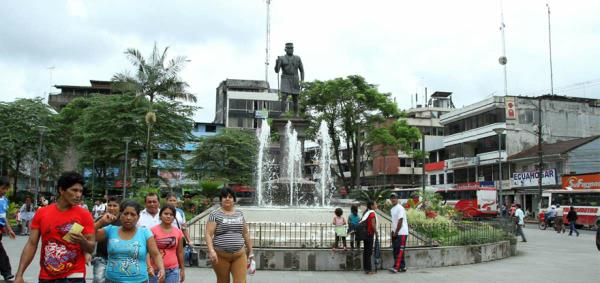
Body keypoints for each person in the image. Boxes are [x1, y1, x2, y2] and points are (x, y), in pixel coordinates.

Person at [15, 171, 96, 283]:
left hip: (74, 276)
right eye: (74, 190)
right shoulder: (42, 213)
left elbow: (91, 248)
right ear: (61, 190)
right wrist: (19, 274)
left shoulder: (85, 215)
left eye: (80, 191)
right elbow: (31, 244)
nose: (78, 195)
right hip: (46, 277)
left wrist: (83, 242)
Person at [96, 200, 164, 283]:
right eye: (125, 214)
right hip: (111, 280)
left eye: (132, 214)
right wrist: (101, 221)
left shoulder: (145, 233)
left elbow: (156, 254)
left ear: (138, 217)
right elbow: (89, 235)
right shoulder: (110, 230)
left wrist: (162, 269)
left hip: (140, 281)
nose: (128, 217)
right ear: (120, 215)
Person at [205, 187, 253, 283]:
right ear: (220, 200)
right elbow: (208, 234)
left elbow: (245, 233)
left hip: (239, 255)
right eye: (224, 197)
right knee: (223, 281)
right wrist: (211, 251)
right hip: (220, 255)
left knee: (241, 281)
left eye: (230, 197)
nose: (227, 199)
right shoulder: (215, 214)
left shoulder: (239, 214)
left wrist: (251, 250)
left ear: (234, 200)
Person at [149, 205, 185, 283]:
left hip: (172, 270)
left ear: (174, 217)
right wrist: (149, 267)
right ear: (160, 215)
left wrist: (182, 269)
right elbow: (148, 252)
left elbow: (180, 252)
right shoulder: (152, 231)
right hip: (155, 270)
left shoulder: (178, 232)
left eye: (171, 214)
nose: (168, 216)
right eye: (166, 214)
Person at [92, 196, 121, 283]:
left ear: (120, 207)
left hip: (119, 259)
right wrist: (101, 222)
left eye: (115, 206)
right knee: (98, 280)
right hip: (101, 258)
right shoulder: (100, 219)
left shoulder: (124, 221)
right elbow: (89, 233)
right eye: (109, 205)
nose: (112, 208)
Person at [274, 42, 304, 116]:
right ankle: (283, 112)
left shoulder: (298, 58)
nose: (291, 49)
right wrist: (277, 63)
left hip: (295, 78)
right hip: (285, 78)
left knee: (296, 97)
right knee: (284, 96)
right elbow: (277, 71)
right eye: (289, 48)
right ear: (285, 49)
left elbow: (302, 70)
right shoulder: (281, 58)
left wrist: (302, 81)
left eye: (292, 48)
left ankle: (296, 113)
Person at [0, 176, 17, 281]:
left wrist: (9, 229)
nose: (5, 191)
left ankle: (7, 272)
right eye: (3, 188)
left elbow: (3, 217)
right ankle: (6, 272)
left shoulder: (4, 200)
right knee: (1, 253)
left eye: (6, 188)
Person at [388, 193, 408, 273]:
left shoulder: (400, 208)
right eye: (391, 198)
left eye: (394, 198)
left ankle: (396, 267)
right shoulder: (392, 209)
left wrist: (396, 232)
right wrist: (393, 232)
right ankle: (402, 267)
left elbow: (400, 220)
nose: (393, 199)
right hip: (396, 232)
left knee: (399, 250)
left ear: (397, 199)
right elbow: (394, 222)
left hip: (402, 232)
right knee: (397, 250)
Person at [360, 200, 378, 275]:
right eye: (375, 204)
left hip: (365, 234)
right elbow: (373, 225)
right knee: (369, 252)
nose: (377, 205)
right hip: (370, 234)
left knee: (366, 251)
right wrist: (376, 232)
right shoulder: (372, 213)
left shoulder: (366, 212)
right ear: (371, 206)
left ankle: (366, 268)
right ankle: (369, 270)